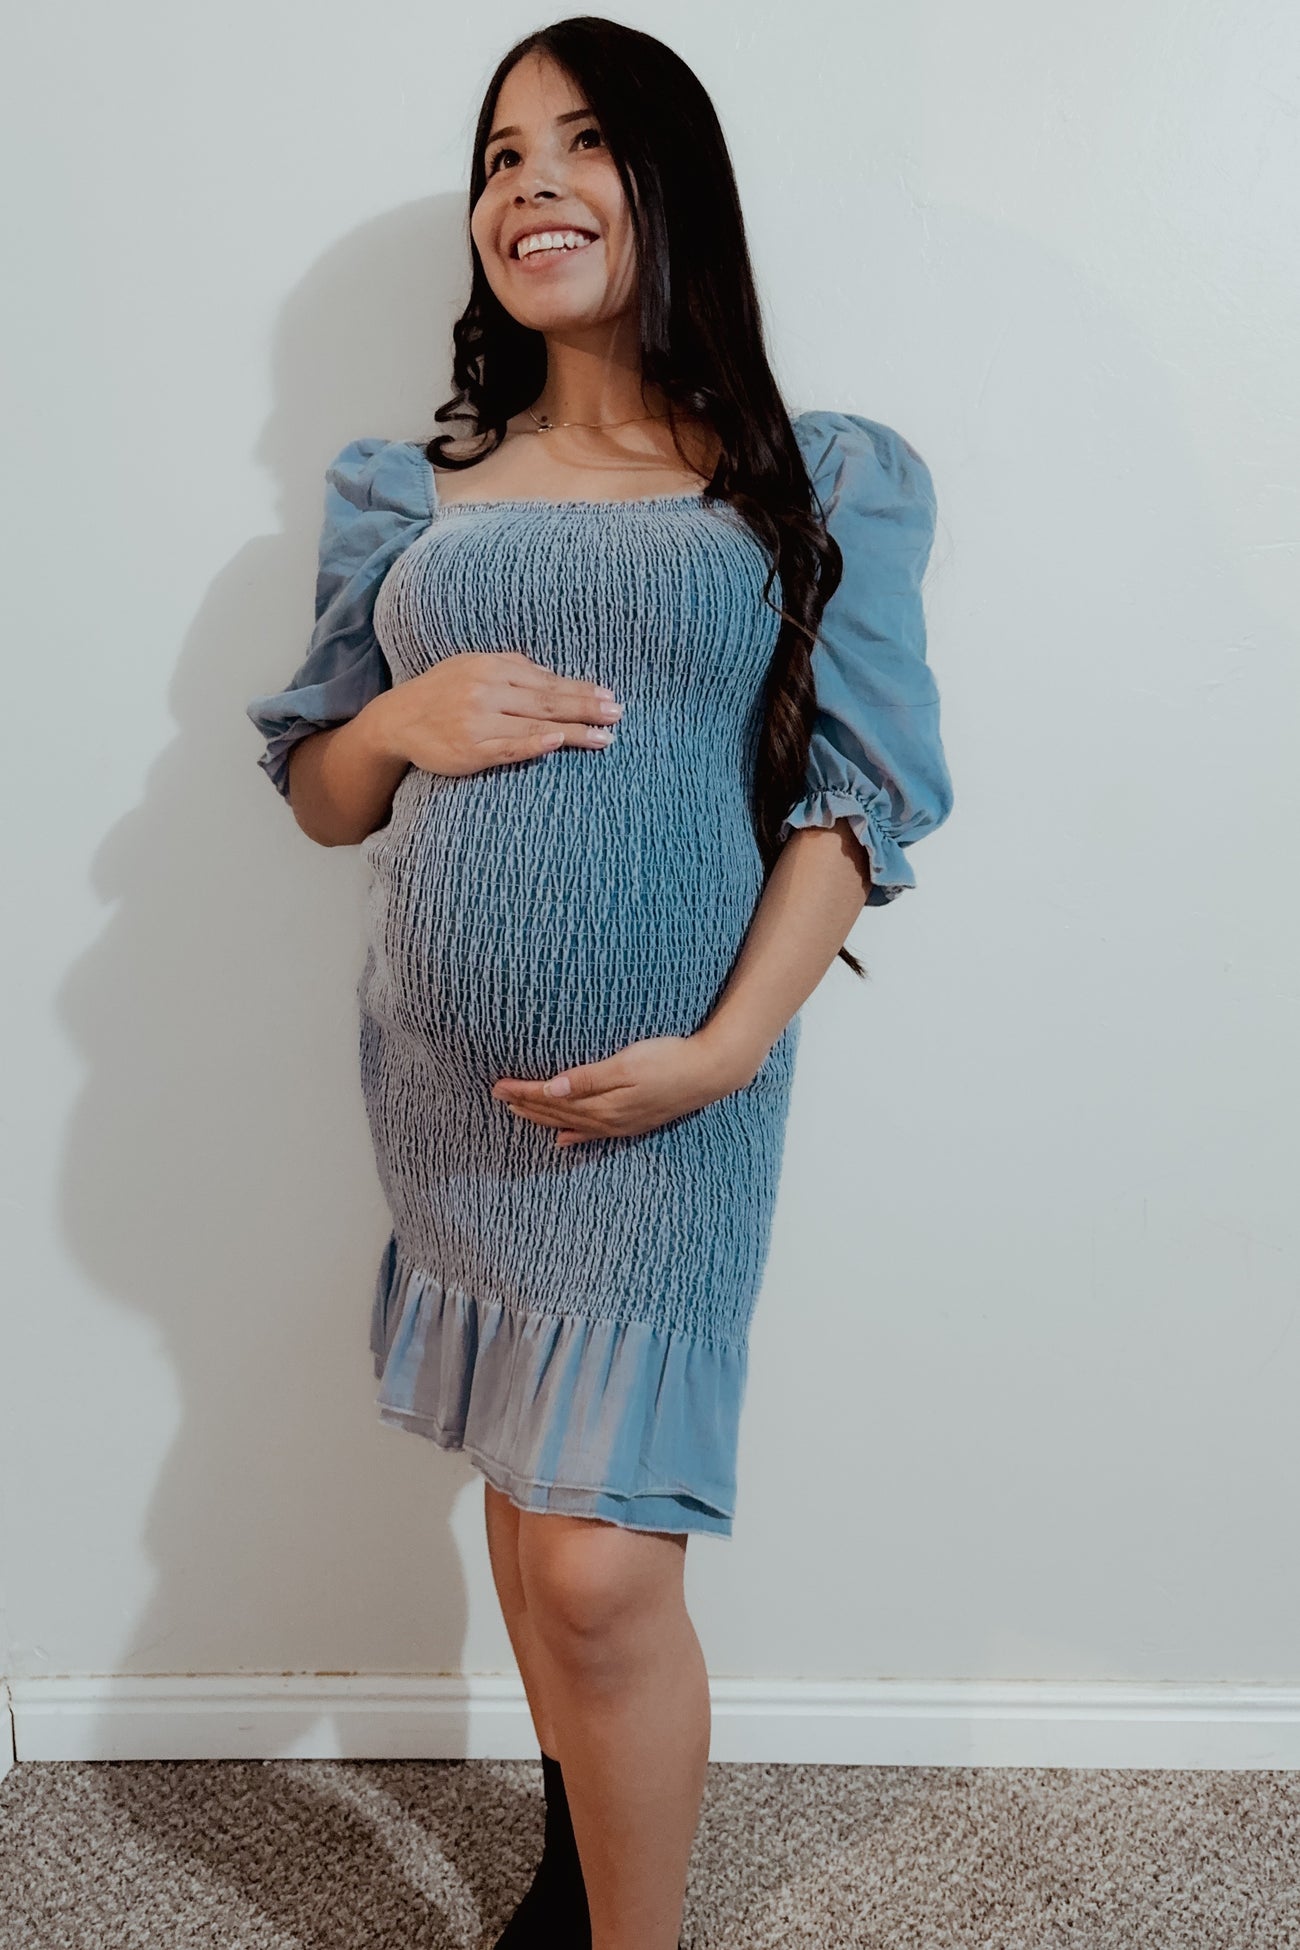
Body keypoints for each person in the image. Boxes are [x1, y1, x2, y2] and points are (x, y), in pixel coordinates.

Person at [246, 16, 954, 1949]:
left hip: (676, 1102)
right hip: (452, 1105)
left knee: (596, 1576)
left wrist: (722, 1052)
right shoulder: (412, 490)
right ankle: (579, 1873)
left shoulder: (821, 479)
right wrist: (394, 717)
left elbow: (862, 799)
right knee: (526, 1488)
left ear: (673, 184)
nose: (530, 184)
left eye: (580, 143)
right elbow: (321, 797)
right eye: (500, 155)